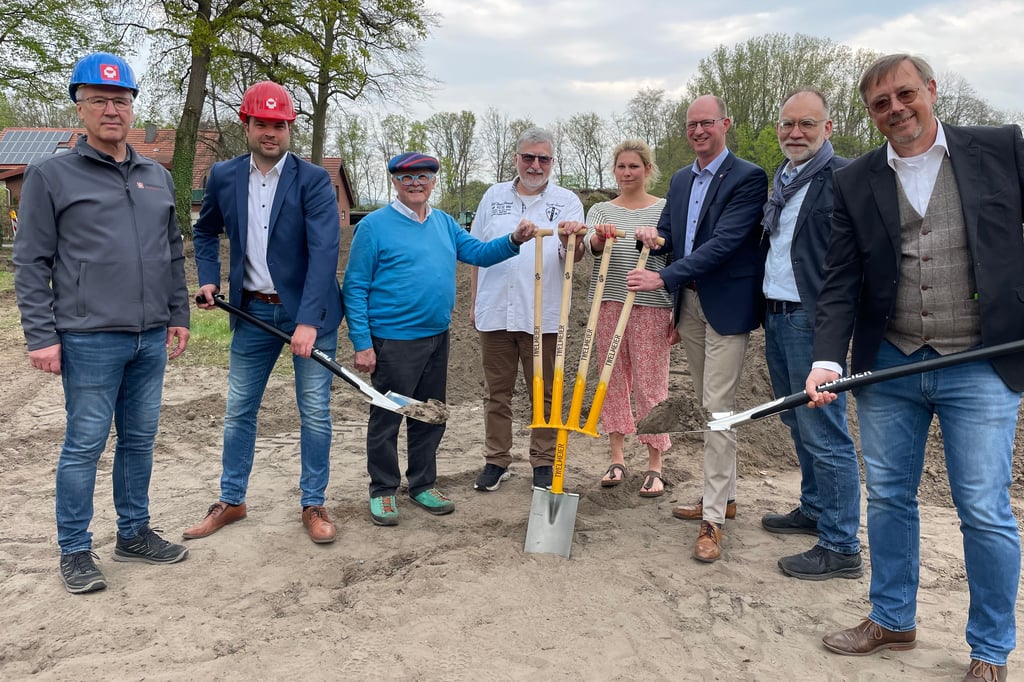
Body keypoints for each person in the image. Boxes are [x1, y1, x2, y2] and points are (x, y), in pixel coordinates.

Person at [805, 54, 1024, 682]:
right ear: (870, 114)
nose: (896, 109)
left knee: (982, 507)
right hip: (890, 363)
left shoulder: (1001, 148)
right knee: (890, 497)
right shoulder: (855, 180)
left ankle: (990, 650)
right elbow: (840, 279)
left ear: (931, 90)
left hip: (980, 361)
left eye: (905, 94)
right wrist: (827, 358)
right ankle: (892, 619)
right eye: (881, 103)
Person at [13, 52, 191, 594]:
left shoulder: (157, 176)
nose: (111, 110)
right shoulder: (50, 175)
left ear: (132, 106)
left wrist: (177, 313)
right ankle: (74, 549)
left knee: (139, 440)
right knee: (84, 445)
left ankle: (133, 533)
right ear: (80, 107)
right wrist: (41, 336)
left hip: (149, 337)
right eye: (98, 100)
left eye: (121, 100)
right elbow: (31, 261)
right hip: (88, 338)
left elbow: (172, 251)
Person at [185, 81, 343, 545]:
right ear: (247, 126)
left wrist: (308, 322)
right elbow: (205, 230)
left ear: (289, 127)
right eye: (261, 124)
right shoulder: (223, 175)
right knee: (239, 410)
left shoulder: (313, 180)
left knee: (314, 412)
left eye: (279, 124)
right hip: (253, 312)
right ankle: (232, 500)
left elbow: (324, 251)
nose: (270, 132)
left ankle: (313, 503)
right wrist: (209, 278)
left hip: (308, 316)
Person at [343, 152, 539, 526]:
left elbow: (479, 253)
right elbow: (354, 286)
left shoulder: (444, 223)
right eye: (407, 178)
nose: (415, 184)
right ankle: (383, 489)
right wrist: (362, 342)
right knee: (387, 417)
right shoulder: (373, 227)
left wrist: (514, 240)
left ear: (433, 182)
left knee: (430, 415)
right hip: (393, 340)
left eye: (423, 177)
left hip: (436, 337)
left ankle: (422, 484)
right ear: (395, 182)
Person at [632, 95, 767, 563]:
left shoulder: (748, 178)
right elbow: (670, 233)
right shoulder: (680, 179)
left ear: (725, 123)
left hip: (726, 307)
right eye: (691, 124)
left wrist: (662, 276)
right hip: (689, 305)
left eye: (706, 123)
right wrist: (654, 238)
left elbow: (726, 243)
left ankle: (713, 521)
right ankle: (724, 500)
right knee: (712, 407)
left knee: (718, 410)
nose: (698, 131)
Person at [758, 89, 863, 580]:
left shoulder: (844, 177)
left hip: (811, 317)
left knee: (824, 430)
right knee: (797, 423)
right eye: (787, 124)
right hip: (776, 314)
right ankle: (815, 508)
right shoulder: (782, 180)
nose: (795, 133)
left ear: (828, 127)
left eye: (807, 124)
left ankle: (841, 545)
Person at [469, 127, 585, 492]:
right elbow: (476, 251)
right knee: (496, 393)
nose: (536, 165)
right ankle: (496, 459)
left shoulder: (566, 201)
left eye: (543, 159)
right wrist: (474, 303)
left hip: (543, 314)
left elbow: (575, 256)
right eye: (529, 157)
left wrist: (571, 239)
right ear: (516, 158)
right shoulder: (493, 196)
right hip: (496, 311)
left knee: (545, 393)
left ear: (552, 161)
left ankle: (543, 461)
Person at [583, 140, 674, 496]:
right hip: (609, 302)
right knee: (612, 379)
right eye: (621, 166)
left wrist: (656, 238)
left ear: (647, 169)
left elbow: (673, 249)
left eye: (634, 166)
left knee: (651, 384)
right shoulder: (601, 210)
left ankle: (655, 463)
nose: (627, 173)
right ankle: (617, 458)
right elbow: (589, 245)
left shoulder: (664, 208)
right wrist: (599, 239)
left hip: (651, 305)